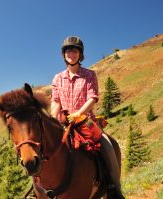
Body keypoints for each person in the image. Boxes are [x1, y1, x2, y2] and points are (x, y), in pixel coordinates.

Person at [50, 36, 124, 198]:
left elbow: (92, 98)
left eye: (75, 50)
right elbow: (55, 102)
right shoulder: (57, 78)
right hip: (64, 121)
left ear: (80, 54)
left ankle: (113, 187)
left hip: (86, 120)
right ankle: (39, 189)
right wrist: (52, 119)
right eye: (68, 50)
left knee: (107, 145)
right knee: (44, 148)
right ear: (64, 54)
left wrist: (78, 114)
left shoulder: (89, 75)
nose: (71, 53)